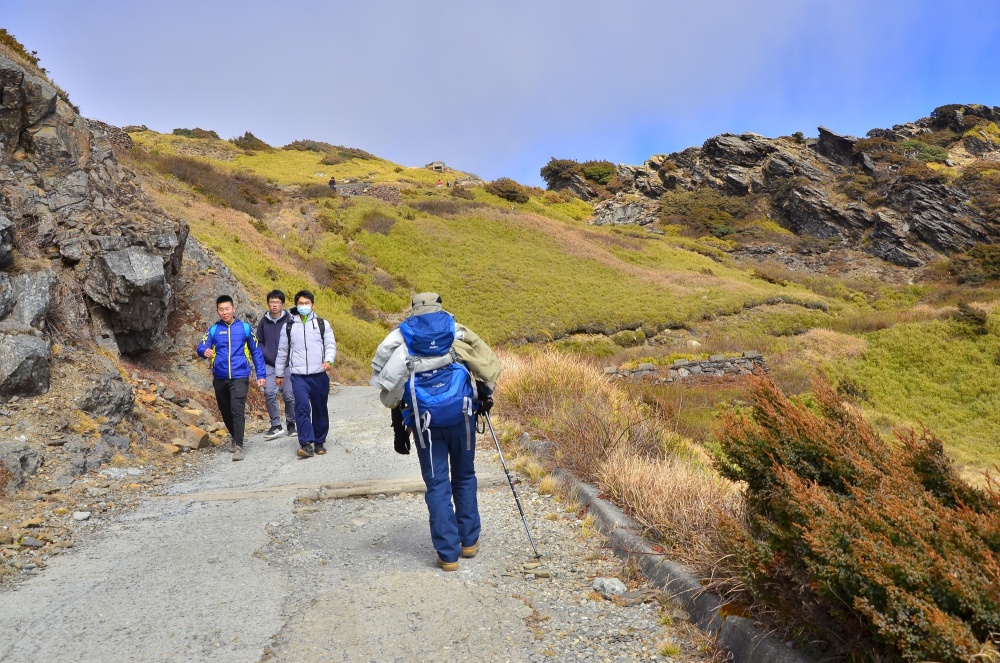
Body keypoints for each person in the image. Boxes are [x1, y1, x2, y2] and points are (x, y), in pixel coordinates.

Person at [370, 292, 501, 571]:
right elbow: (487, 367)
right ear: (439, 308)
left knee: (437, 484)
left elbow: (387, 389)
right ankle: (469, 542)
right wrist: (485, 396)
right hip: (462, 416)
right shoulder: (456, 331)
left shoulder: (403, 339)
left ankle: (448, 554)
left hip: (426, 424)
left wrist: (398, 417)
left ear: (414, 309)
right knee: (465, 476)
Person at [197, 295, 266, 462]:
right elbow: (202, 345)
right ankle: (235, 437)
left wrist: (261, 374)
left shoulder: (244, 328)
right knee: (225, 410)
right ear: (217, 311)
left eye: (227, 309)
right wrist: (203, 351)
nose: (225, 312)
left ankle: (239, 446)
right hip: (220, 376)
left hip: (240, 375)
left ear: (234, 309)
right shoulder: (213, 330)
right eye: (221, 310)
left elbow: (256, 351)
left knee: (237, 408)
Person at [275, 290, 337, 458]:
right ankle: (305, 444)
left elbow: (330, 345)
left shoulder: (322, 324)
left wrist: (329, 360)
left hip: (319, 374)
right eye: (301, 303)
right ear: (296, 305)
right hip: (298, 376)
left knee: (320, 408)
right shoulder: (288, 326)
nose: (304, 306)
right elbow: (282, 351)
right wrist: (279, 373)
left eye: (307, 303)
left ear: (313, 305)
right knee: (301, 407)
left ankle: (319, 442)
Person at [256, 289, 296, 440]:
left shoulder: (290, 321)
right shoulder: (263, 321)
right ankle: (276, 425)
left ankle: (291, 423)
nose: (274, 305)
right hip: (270, 364)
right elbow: (259, 341)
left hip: (287, 365)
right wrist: (264, 353)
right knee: (270, 393)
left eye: (277, 302)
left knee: (289, 395)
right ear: (268, 303)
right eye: (272, 302)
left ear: (282, 304)